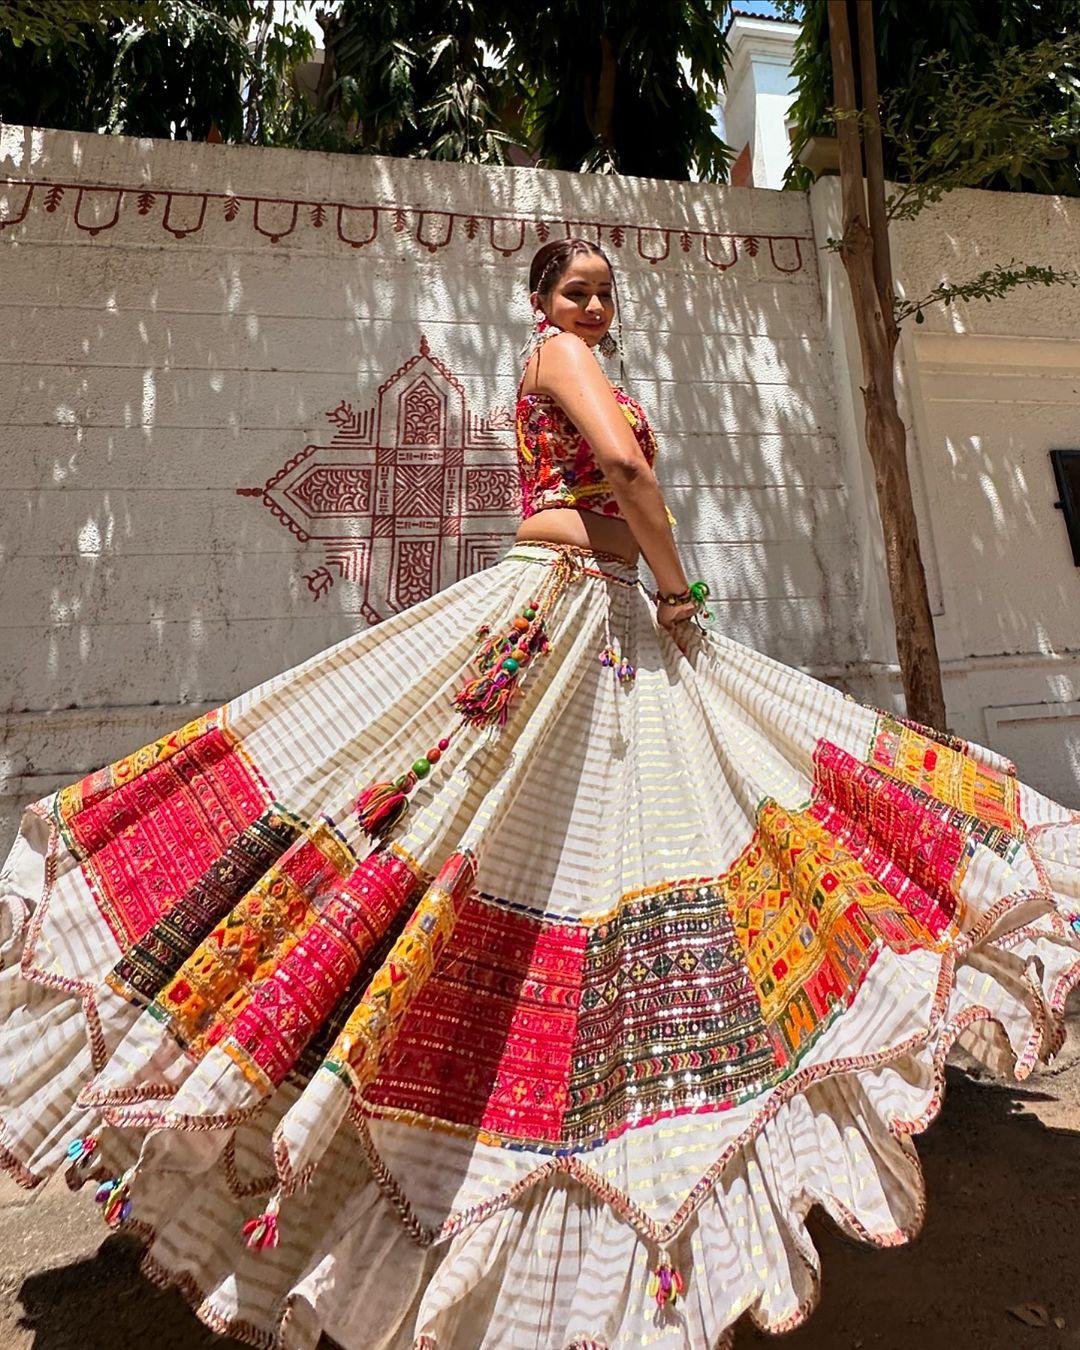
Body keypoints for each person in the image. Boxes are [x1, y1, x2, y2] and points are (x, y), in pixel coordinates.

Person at [0, 235, 1077, 1350]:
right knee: (536, 842)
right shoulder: (561, 354)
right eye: (577, 288)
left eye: (608, 292)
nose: (597, 305)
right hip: (572, 607)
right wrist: (677, 585)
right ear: (539, 302)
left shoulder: (570, 352)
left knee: (573, 852)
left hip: (593, 612)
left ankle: (536, 1184)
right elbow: (629, 469)